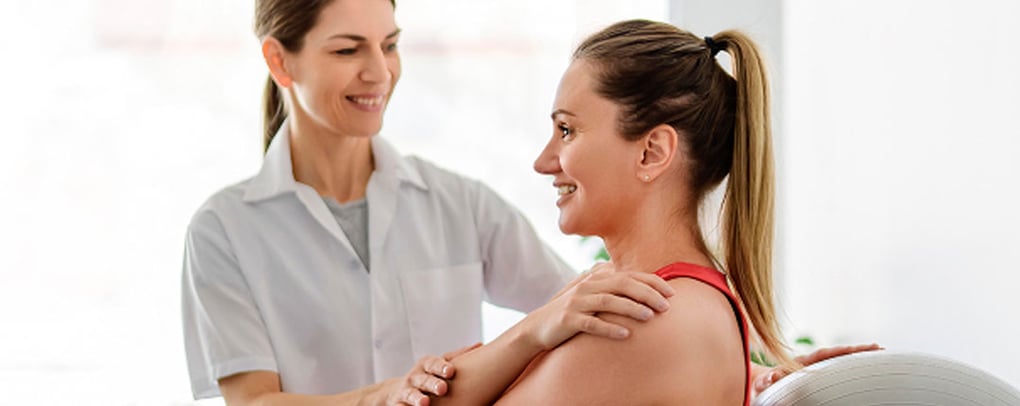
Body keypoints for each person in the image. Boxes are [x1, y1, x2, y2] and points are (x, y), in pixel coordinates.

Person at [181, 1, 877, 404]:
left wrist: (764, 373)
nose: (379, 70)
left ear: (654, 152)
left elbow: (591, 314)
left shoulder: (460, 204)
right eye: (347, 49)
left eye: (389, 45)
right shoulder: (224, 229)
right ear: (282, 63)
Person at [415, 19, 880, 405]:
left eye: (567, 130)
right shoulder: (658, 303)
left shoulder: (643, 319)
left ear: (652, 152)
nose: (544, 161)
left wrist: (529, 334)